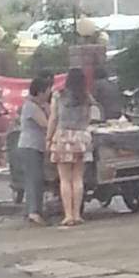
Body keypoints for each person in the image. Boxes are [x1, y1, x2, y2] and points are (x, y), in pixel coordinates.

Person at [48, 67, 93, 227]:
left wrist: (48, 138)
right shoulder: (87, 97)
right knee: (78, 178)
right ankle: (77, 214)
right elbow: (88, 118)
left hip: (63, 136)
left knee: (65, 179)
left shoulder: (58, 95)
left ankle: (68, 215)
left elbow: (53, 118)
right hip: (81, 137)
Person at [18, 74, 53, 226]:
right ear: (40, 92)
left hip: (36, 146)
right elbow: (46, 124)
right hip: (30, 146)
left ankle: (32, 210)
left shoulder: (37, 106)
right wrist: (50, 110)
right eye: (47, 92)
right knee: (34, 179)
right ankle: (34, 212)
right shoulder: (31, 107)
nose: (49, 95)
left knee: (36, 179)